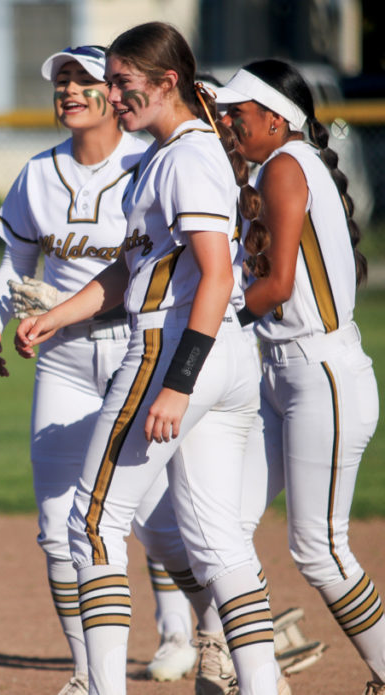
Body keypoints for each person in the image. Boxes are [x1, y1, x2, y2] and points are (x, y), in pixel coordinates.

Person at [16, 22, 279, 695]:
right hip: (218, 356)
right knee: (218, 542)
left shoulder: (186, 156)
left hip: (174, 349)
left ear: (168, 83)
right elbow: (125, 276)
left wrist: (177, 383)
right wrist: (58, 314)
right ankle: (264, 682)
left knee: (92, 520)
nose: (113, 95)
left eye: (125, 83)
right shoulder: (167, 157)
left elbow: (217, 275)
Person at [0, 44, 196, 692]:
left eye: (83, 79)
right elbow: (15, 264)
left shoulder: (148, 161)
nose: (69, 90)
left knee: (152, 510)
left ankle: (192, 628)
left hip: (139, 347)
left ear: (117, 91)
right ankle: (86, 670)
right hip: (66, 358)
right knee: (57, 523)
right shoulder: (38, 173)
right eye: (61, 81)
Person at [217, 59, 384, 695]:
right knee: (224, 530)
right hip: (284, 376)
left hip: (322, 373)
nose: (230, 121)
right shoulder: (275, 166)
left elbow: (278, 286)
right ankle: (263, 674)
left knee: (320, 549)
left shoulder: (286, 165)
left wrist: (212, 320)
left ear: (277, 118)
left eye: (240, 111)